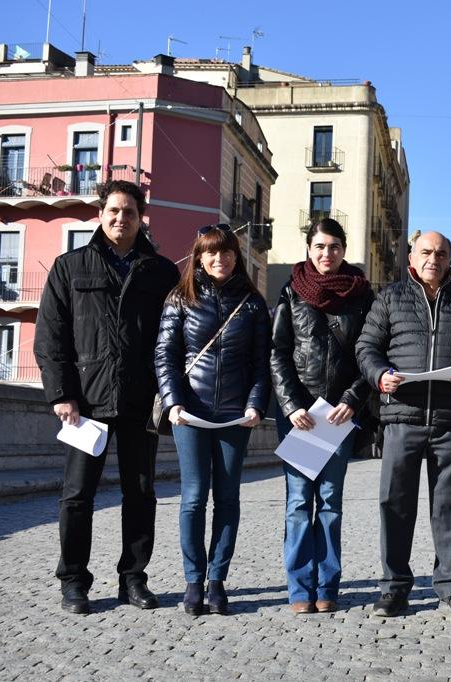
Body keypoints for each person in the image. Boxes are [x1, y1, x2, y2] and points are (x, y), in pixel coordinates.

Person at [35, 179, 179, 615]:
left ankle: (133, 579)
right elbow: (50, 337)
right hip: (86, 403)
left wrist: (168, 395)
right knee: (77, 495)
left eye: (130, 212)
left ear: (141, 217)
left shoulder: (162, 271)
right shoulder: (70, 266)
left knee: (141, 494)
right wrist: (62, 393)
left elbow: (174, 341)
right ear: (100, 215)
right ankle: (74, 581)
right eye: (114, 211)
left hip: (141, 401)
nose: (121, 218)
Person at [355, 231, 451, 618]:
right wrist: (379, 375)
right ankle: (394, 588)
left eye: (441, 253)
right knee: (395, 505)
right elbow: (366, 348)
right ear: (412, 256)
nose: (433, 258)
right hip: (401, 418)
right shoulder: (389, 298)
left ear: (450, 259)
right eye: (426, 252)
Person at [154, 224, 270, 617]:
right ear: (199, 257)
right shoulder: (180, 298)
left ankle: (217, 582)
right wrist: (173, 404)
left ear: (236, 258)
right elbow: (165, 356)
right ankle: (192, 580)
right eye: (211, 252)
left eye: (227, 252)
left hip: (235, 416)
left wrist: (256, 404)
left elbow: (260, 363)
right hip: (191, 413)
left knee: (228, 499)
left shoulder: (253, 305)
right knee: (193, 497)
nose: (220, 259)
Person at [270, 219, 374, 615]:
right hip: (299, 415)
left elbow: (369, 353)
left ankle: (327, 584)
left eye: (333, 246)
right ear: (308, 248)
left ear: (343, 249)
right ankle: (299, 589)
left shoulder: (361, 295)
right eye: (319, 246)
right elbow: (278, 351)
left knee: (330, 502)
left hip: (339, 415)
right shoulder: (292, 291)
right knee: (299, 502)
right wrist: (291, 405)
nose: (326, 253)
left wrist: (353, 398)